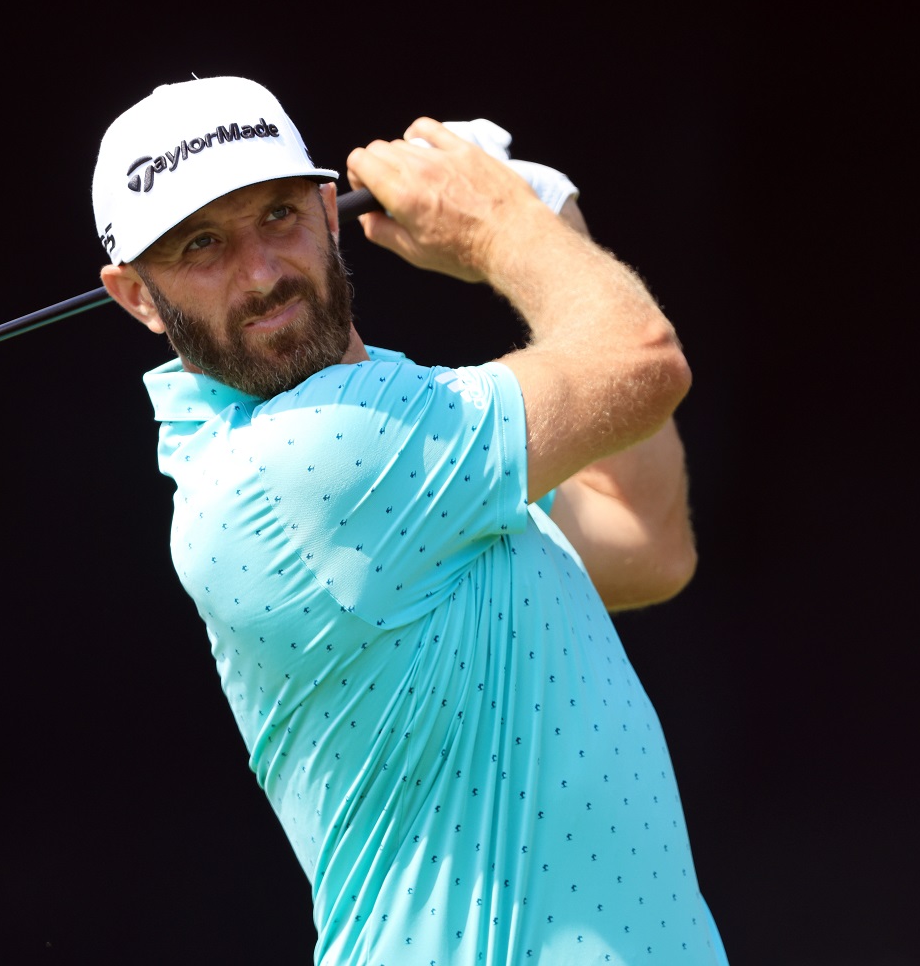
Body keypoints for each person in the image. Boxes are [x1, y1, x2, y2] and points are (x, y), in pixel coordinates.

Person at [92, 76, 725, 965]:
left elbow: (644, 539)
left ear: (327, 208)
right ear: (136, 297)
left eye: (278, 216)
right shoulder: (308, 463)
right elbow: (642, 362)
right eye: (203, 245)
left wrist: (543, 220)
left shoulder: (416, 455)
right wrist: (503, 224)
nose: (264, 273)